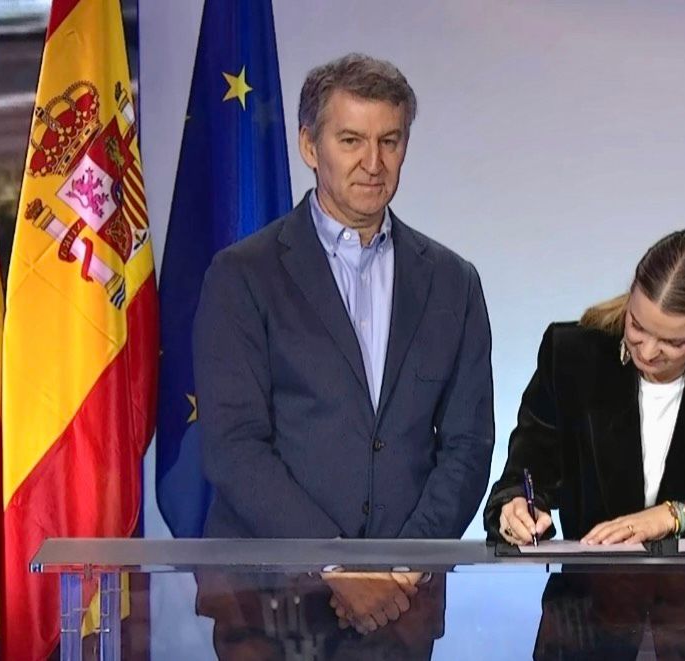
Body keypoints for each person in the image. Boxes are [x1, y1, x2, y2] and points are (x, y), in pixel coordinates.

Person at [193, 53, 494, 658]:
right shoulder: (243, 276)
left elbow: (467, 446)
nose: (373, 163)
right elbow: (234, 446)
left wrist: (401, 569)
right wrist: (336, 564)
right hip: (271, 603)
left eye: (390, 141)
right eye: (351, 140)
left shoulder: (452, 282)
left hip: (400, 608)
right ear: (310, 145)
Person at [483, 229, 685, 659]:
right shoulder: (572, 354)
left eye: (674, 342)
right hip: (595, 625)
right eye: (637, 326)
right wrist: (516, 508)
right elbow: (527, 473)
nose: (648, 351)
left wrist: (680, 513)